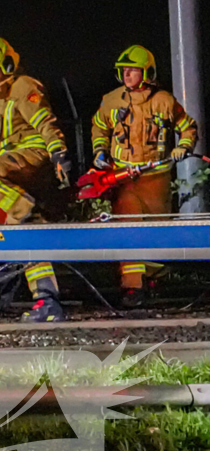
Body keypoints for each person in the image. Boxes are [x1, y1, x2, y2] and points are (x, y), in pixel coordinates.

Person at [0, 37, 71, 322]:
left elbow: (44, 123)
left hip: (33, 157)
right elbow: (7, 135)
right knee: (26, 239)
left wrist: (58, 153)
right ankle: (47, 302)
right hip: (16, 164)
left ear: (7, 64)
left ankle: (23, 208)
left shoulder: (24, 86)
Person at [91, 45, 198, 308]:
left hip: (156, 177)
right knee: (128, 227)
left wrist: (183, 146)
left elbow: (187, 127)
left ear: (146, 72)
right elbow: (98, 127)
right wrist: (99, 151)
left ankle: (153, 280)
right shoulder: (112, 100)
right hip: (123, 176)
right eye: (124, 70)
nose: (127, 75)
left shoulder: (164, 101)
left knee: (156, 231)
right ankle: (132, 288)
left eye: (133, 70)